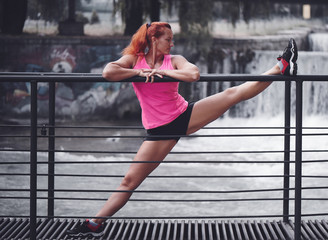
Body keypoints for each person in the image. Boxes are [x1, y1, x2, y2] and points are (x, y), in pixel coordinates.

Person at [66, 22, 298, 237]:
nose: (172, 43)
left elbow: (193, 74)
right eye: (168, 39)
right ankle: (95, 224)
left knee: (232, 94)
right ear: (154, 40)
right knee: (129, 181)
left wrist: (164, 73)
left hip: (183, 115)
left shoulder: (174, 59)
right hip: (159, 131)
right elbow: (108, 72)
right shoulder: (134, 60)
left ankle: (281, 67)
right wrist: (139, 73)